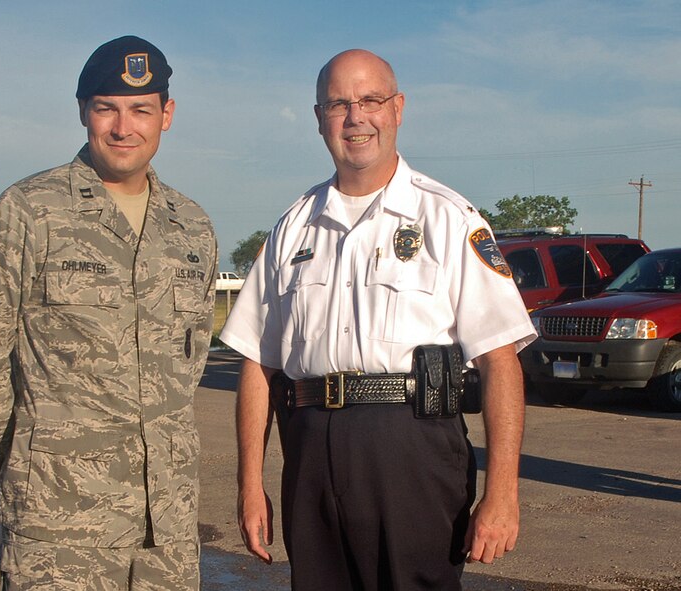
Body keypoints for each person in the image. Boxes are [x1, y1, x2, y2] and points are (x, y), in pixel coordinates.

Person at [220, 49, 537, 590]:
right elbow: (258, 363)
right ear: (319, 116)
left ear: (397, 109)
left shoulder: (448, 219)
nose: (355, 116)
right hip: (311, 448)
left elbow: (500, 361)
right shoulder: (294, 227)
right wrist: (251, 484)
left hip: (411, 447)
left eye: (370, 100)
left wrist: (502, 492)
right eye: (338, 103)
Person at [0, 36, 217, 591]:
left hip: (168, 527)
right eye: (106, 107)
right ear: (83, 111)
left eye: (141, 109)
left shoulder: (190, 227)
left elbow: (191, 362)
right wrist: (25, 461)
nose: (123, 126)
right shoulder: (29, 211)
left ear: (167, 115)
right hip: (59, 526)